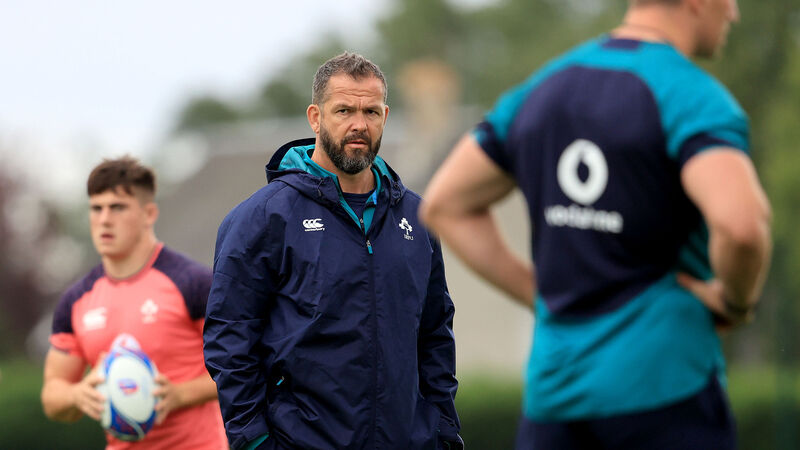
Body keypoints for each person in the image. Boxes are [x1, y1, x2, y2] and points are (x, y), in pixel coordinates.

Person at [421, 0, 771, 448]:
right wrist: (735, 301)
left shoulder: (543, 89)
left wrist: (541, 296)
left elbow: (445, 204)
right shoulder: (692, 95)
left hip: (554, 401)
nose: (735, 13)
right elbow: (742, 226)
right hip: (666, 389)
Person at [203, 52, 462, 450]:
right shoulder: (262, 218)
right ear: (315, 117)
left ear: (385, 117)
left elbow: (435, 335)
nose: (359, 124)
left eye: (371, 112)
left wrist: (443, 432)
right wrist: (254, 442)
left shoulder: (418, 217)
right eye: (344, 110)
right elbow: (229, 340)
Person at [41, 157, 227, 449]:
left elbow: (245, 366)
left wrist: (181, 394)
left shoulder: (193, 283)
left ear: (149, 213)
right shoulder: (76, 300)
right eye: (96, 208)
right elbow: (52, 394)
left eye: (117, 207)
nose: (104, 219)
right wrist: (76, 395)